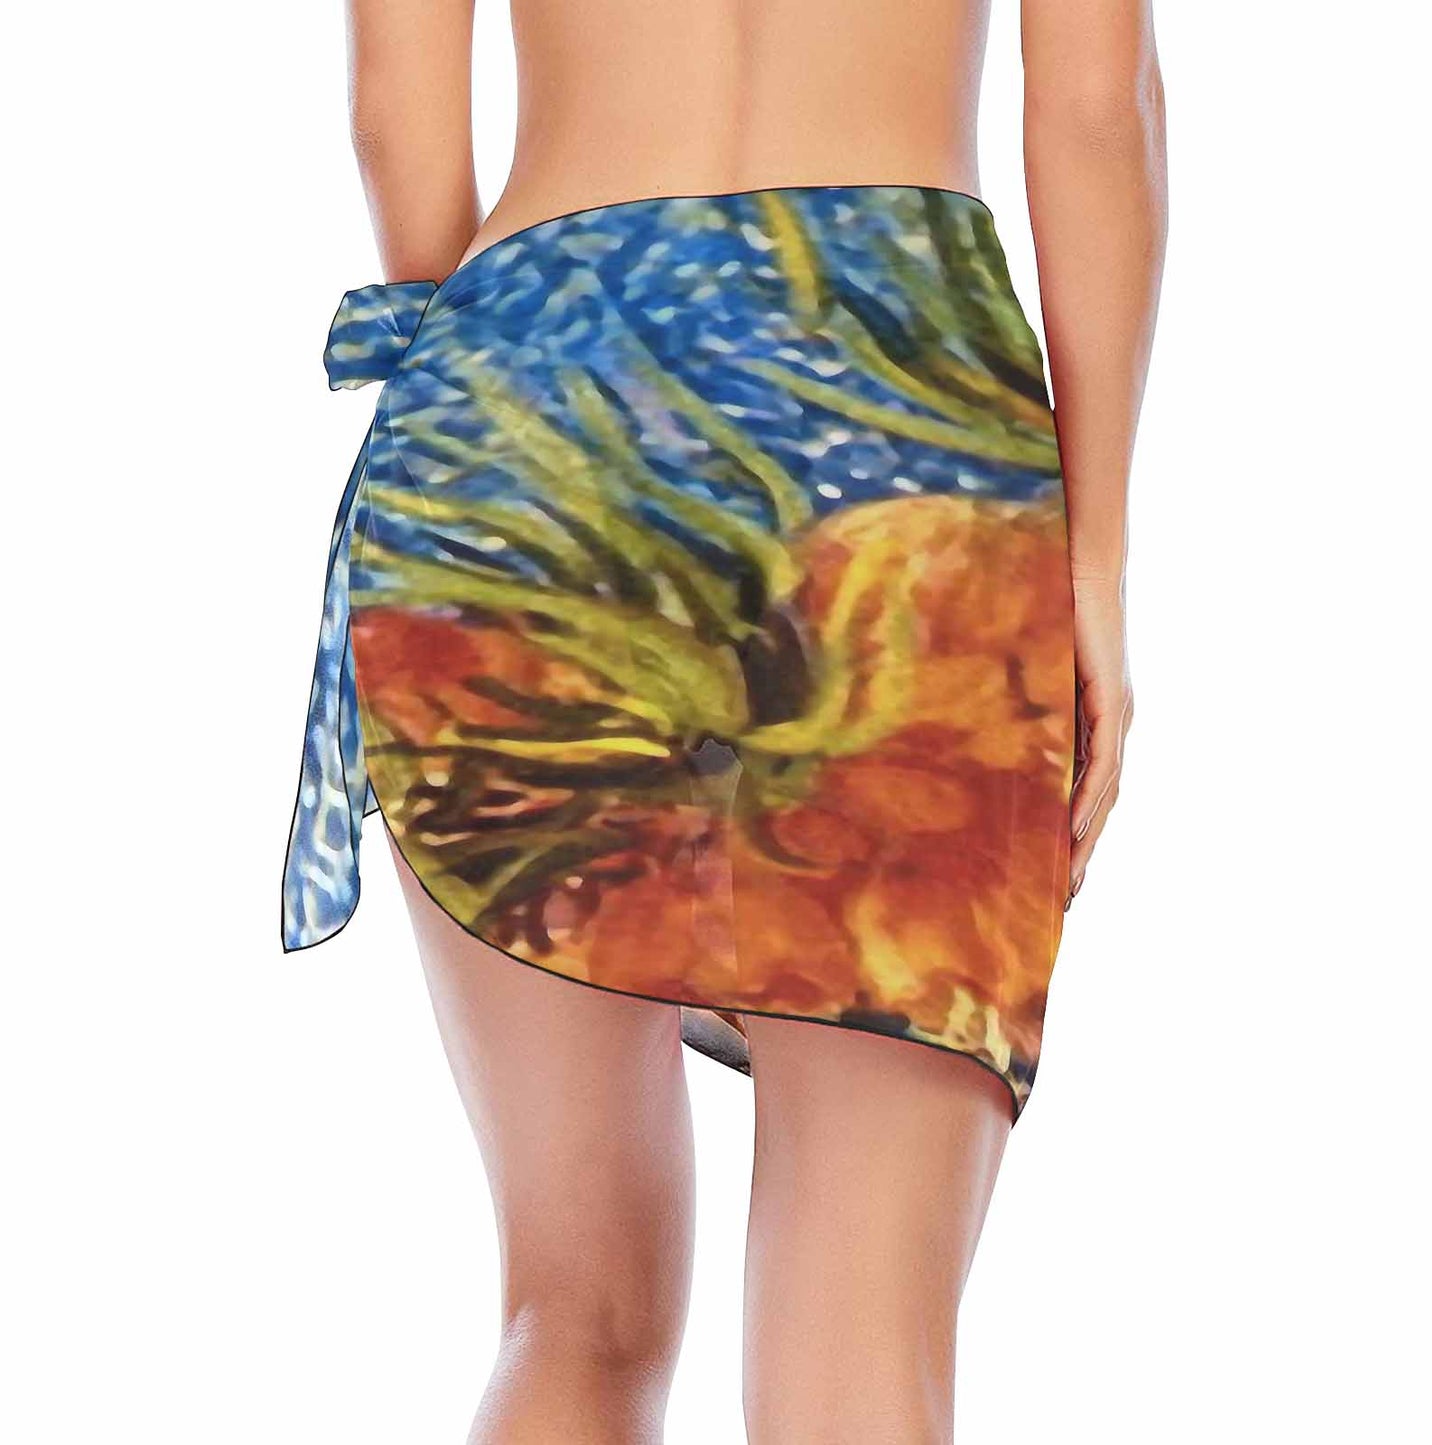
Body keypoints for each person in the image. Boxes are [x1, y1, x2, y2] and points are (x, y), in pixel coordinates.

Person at [282, 1, 1166, 1439]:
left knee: (574, 1311)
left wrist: (501, 406)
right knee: (864, 1312)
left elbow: (395, 116)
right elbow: (1090, 110)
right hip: (896, 420)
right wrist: (1094, 567)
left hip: (527, 410)